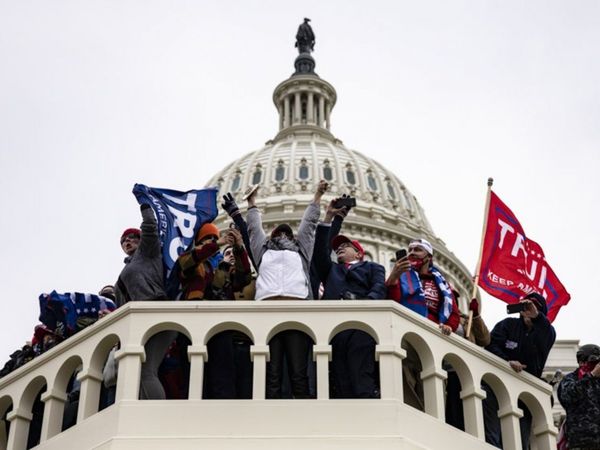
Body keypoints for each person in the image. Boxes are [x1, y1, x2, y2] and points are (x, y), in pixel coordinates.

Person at [246, 180, 327, 398]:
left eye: (287, 233)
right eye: (278, 233)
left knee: (298, 370)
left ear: (293, 237)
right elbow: (253, 229)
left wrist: (317, 197)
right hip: (267, 311)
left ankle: (302, 417)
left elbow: (309, 227)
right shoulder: (262, 252)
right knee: (271, 371)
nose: (282, 235)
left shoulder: (301, 252)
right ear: (271, 236)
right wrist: (252, 203)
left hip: (296, 310)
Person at [313, 198, 386, 398]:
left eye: (345, 245)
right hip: (334, 327)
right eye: (337, 247)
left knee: (360, 372)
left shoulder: (372, 268)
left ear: (360, 253)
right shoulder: (331, 271)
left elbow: (379, 287)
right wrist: (328, 218)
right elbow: (320, 252)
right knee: (340, 376)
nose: (339, 248)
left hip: (361, 324)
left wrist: (365, 305)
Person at [385, 238, 460, 410]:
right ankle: (411, 410)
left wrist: (449, 326)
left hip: (433, 336)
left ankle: (432, 415)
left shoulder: (441, 284)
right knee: (403, 371)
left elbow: (453, 312)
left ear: (428, 256)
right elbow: (392, 302)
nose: (411, 253)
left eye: (417, 250)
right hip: (407, 330)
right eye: (409, 249)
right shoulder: (403, 276)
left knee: (433, 381)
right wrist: (394, 276)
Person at [115, 204, 176, 400]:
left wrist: (145, 204)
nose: (127, 241)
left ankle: (156, 415)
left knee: (146, 371)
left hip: (156, 311)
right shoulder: (128, 268)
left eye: (132, 237)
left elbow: (150, 225)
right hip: (139, 321)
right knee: (137, 374)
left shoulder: (147, 252)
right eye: (123, 240)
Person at [483, 292, 556, 449]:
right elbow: (491, 345)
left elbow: (546, 333)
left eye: (535, 307)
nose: (529, 309)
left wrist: (536, 316)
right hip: (498, 385)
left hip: (524, 392)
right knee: (492, 434)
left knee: (519, 440)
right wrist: (507, 361)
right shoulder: (508, 324)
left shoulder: (546, 333)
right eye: (527, 305)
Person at [446, 295, 491, 430]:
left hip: (463, 370)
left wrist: (476, 316)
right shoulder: (436, 314)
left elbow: (485, 339)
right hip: (443, 368)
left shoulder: (467, 319)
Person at [558, 343, 600, 450]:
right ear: (582, 362)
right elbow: (568, 396)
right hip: (580, 441)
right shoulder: (571, 379)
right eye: (593, 362)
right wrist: (591, 375)